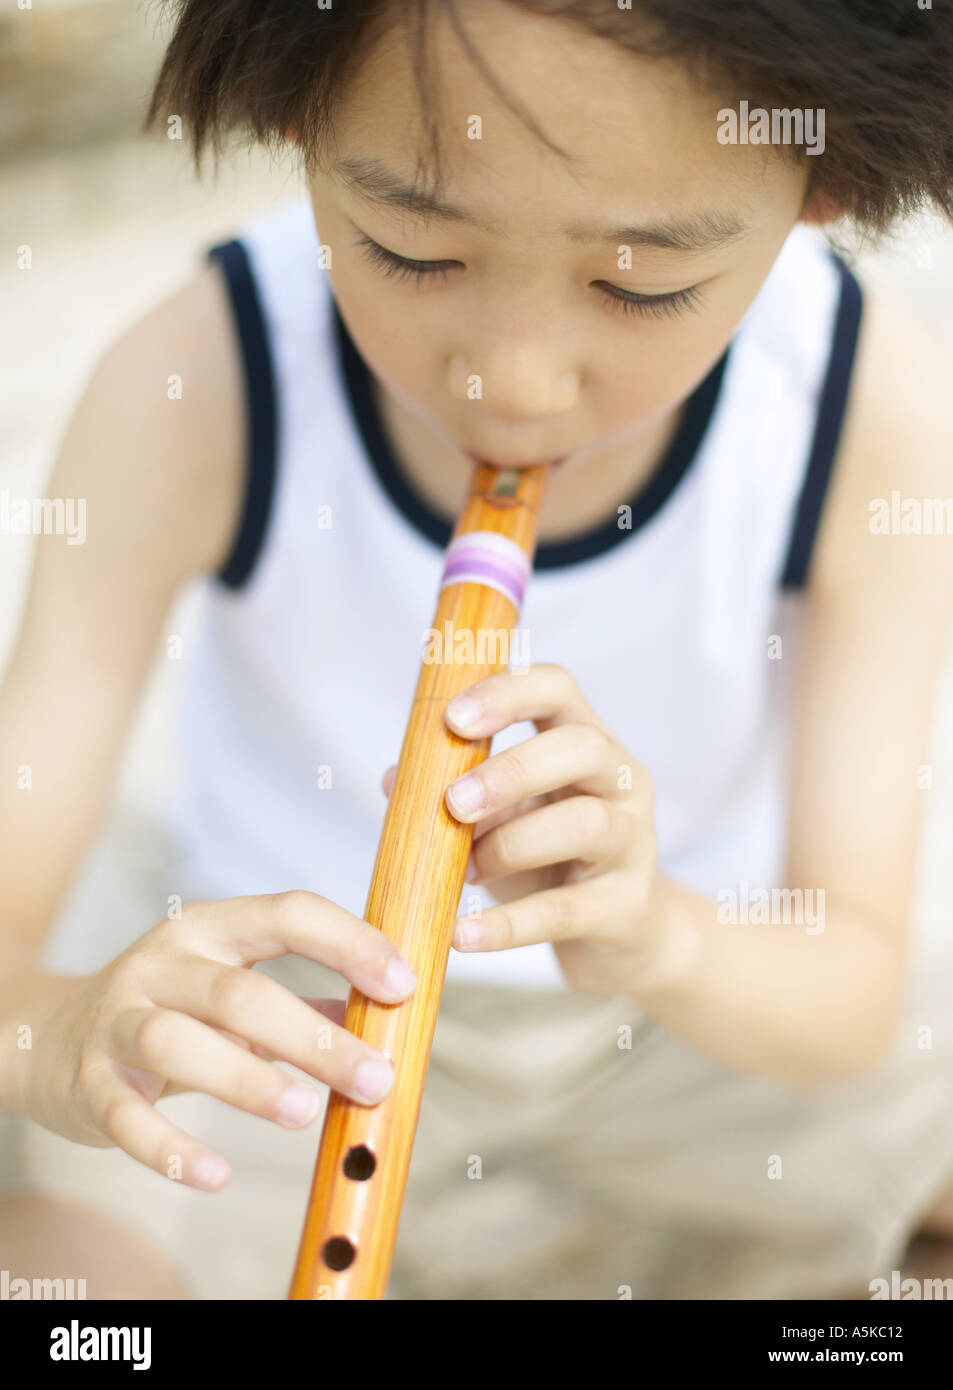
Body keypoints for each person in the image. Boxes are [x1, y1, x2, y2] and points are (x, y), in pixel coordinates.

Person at [2, 0, 953, 1300]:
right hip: (281, 1023)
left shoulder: (869, 407)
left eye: (639, 284)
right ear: (297, 120)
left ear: (820, 185)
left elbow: (847, 985)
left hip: (705, 1004)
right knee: (64, 1280)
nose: (511, 383)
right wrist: (61, 1033)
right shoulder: (202, 378)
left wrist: (654, 936)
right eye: (411, 250)